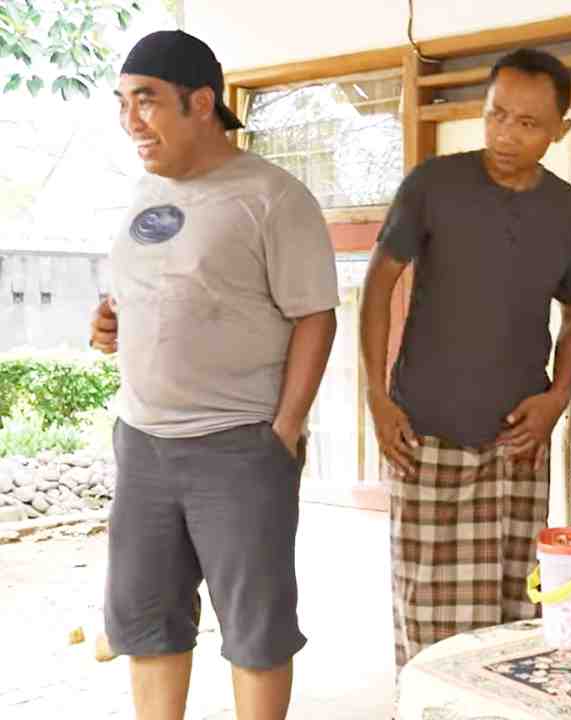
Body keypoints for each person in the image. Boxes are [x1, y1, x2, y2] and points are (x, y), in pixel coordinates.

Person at [88, 30, 338, 720]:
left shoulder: (272, 197)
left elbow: (316, 317)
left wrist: (283, 433)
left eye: (146, 100)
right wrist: (109, 324)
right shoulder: (143, 191)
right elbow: (151, 292)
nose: (130, 120)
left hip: (237, 444)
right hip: (143, 442)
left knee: (255, 631)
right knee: (147, 621)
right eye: (122, 103)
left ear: (201, 103)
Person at [359, 48, 571, 670]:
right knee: (425, 617)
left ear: (560, 129)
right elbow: (378, 287)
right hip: (425, 432)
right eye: (496, 115)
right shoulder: (432, 185)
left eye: (527, 123)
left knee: (513, 614)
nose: (506, 134)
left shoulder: (567, 208)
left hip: (517, 441)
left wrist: (558, 397)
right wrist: (377, 396)